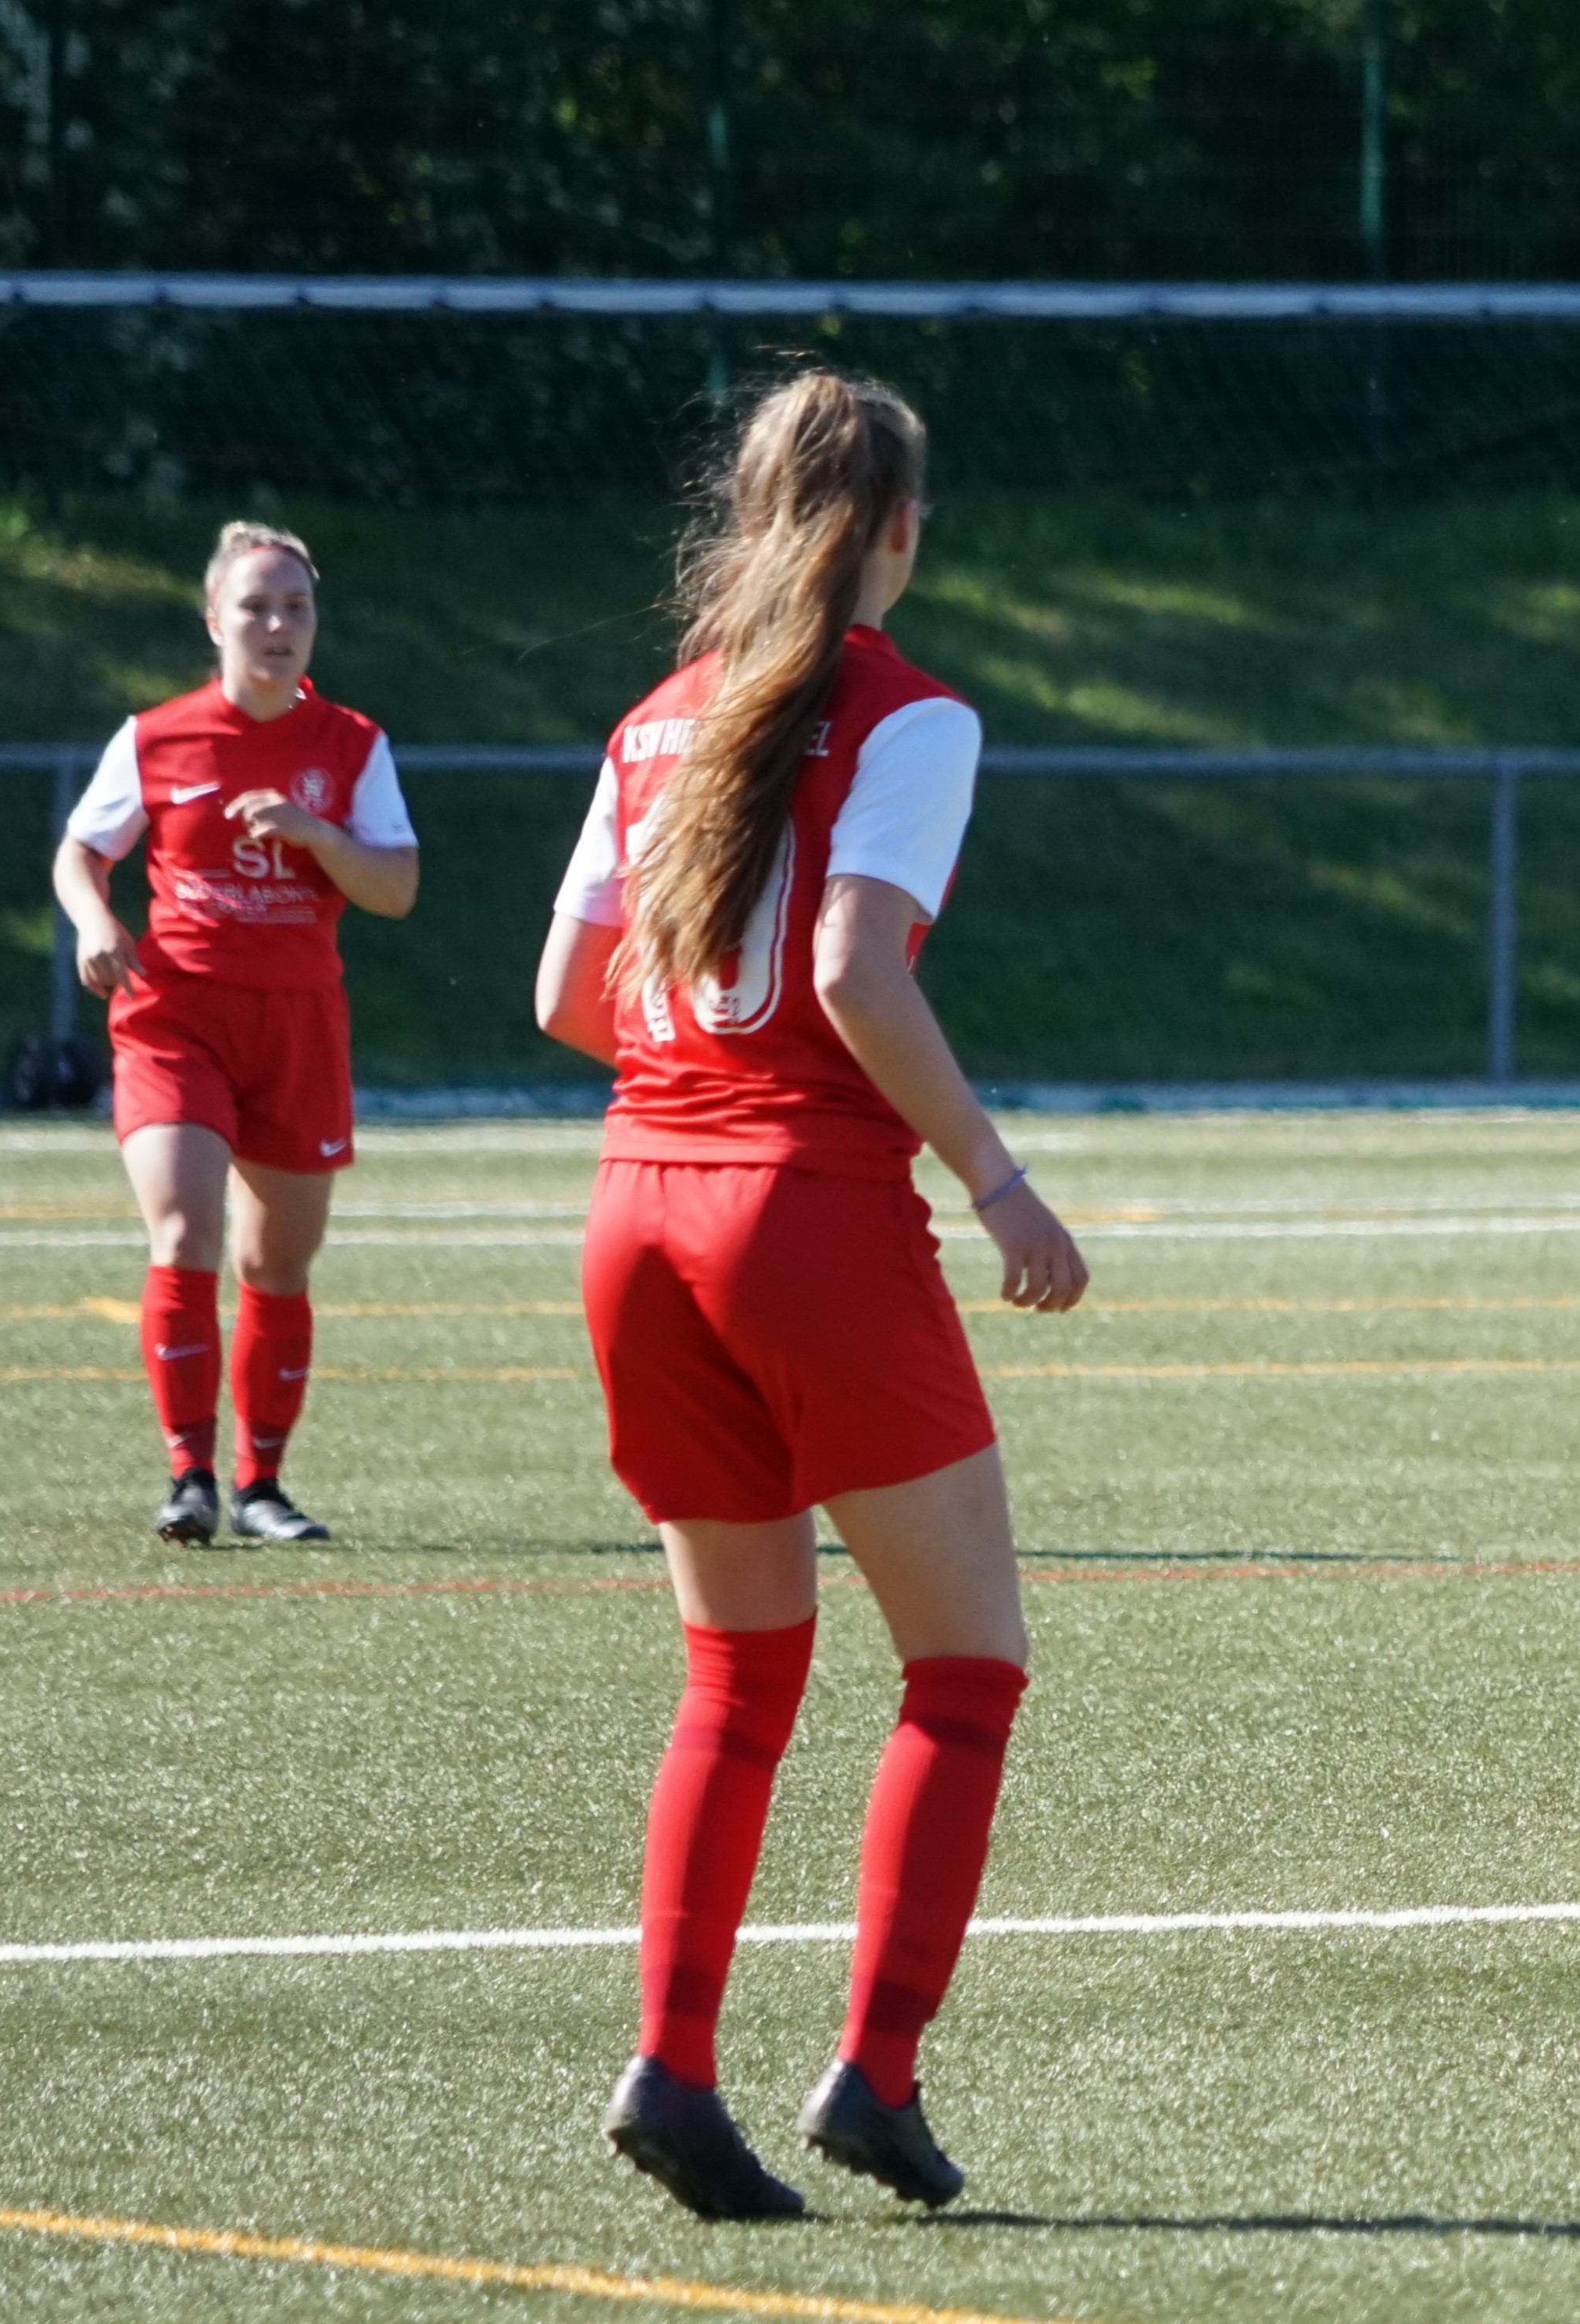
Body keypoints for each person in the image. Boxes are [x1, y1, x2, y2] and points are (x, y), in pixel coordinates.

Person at [532, 371, 1089, 2219]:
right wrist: (998, 1184)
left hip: (634, 1211)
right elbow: (855, 970)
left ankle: (674, 2068)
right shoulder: (910, 712)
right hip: (800, 1217)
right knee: (965, 1664)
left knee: (738, 1670)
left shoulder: (651, 723)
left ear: (752, 516)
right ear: (902, 532)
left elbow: (564, 998)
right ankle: (874, 2069)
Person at [51, 523, 421, 1547]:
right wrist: (94, 917)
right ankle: (189, 1476)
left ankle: (263, 1484)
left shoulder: (352, 746)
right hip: (177, 1018)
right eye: (255, 606)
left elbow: (395, 888)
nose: (276, 625)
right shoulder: (157, 736)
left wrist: (319, 835)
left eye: (295, 607)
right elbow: (81, 852)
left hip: (299, 1023)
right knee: (185, 1231)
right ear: (214, 620)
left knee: (278, 1265)